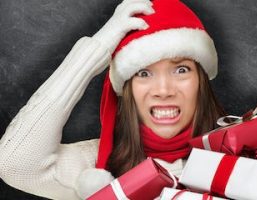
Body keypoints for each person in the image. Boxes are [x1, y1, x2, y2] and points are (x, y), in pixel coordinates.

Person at [0, 0, 225, 199]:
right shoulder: (94, 169)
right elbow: (14, 163)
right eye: (143, 73)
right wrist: (97, 50)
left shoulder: (247, 156)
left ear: (201, 82)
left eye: (181, 70)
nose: (163, 90)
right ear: (127, 90)